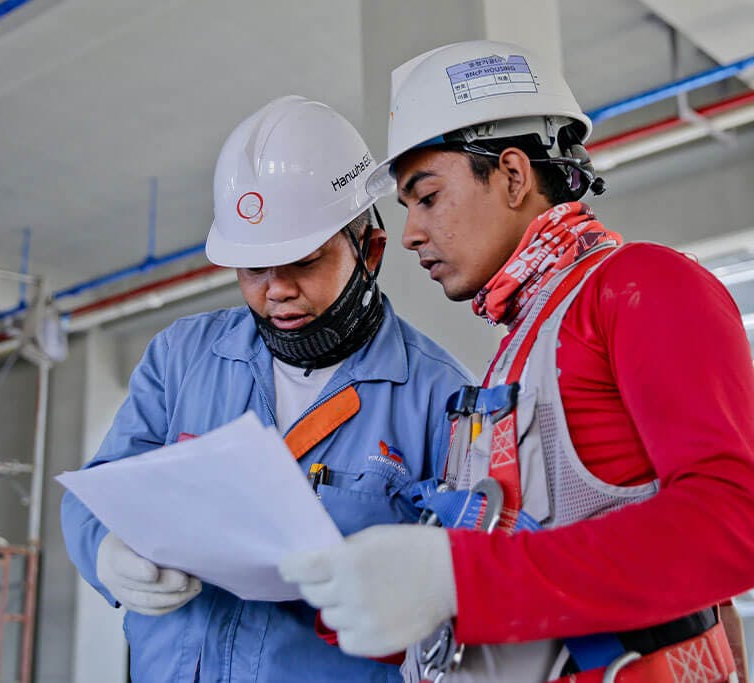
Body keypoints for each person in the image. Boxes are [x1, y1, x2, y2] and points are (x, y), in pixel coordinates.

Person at [279, 41, 754, 682]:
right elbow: (519, 567)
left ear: (510, 174)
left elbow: (734, 522)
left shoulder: (642, 286)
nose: (412, 232)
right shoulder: (519, 349)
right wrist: (378, 595)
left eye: (427, 196)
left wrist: (456, 579)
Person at [61, 95, 473, 682]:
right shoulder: (182, 358)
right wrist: (105, 551)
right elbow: (96, 489)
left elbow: (463, 590)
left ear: (370, 251)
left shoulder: (439, 398)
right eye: (253, 268)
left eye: (303, 261)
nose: (275, 290)